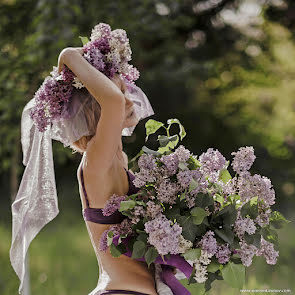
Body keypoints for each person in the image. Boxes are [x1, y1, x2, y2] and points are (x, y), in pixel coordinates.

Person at [57, 47, 159, 295]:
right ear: (98, 111)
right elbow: (112, 102)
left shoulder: (118, 158)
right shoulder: (95, 161)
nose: (126, 99)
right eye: (118, 92)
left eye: (123, 89)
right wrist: (68, 55)